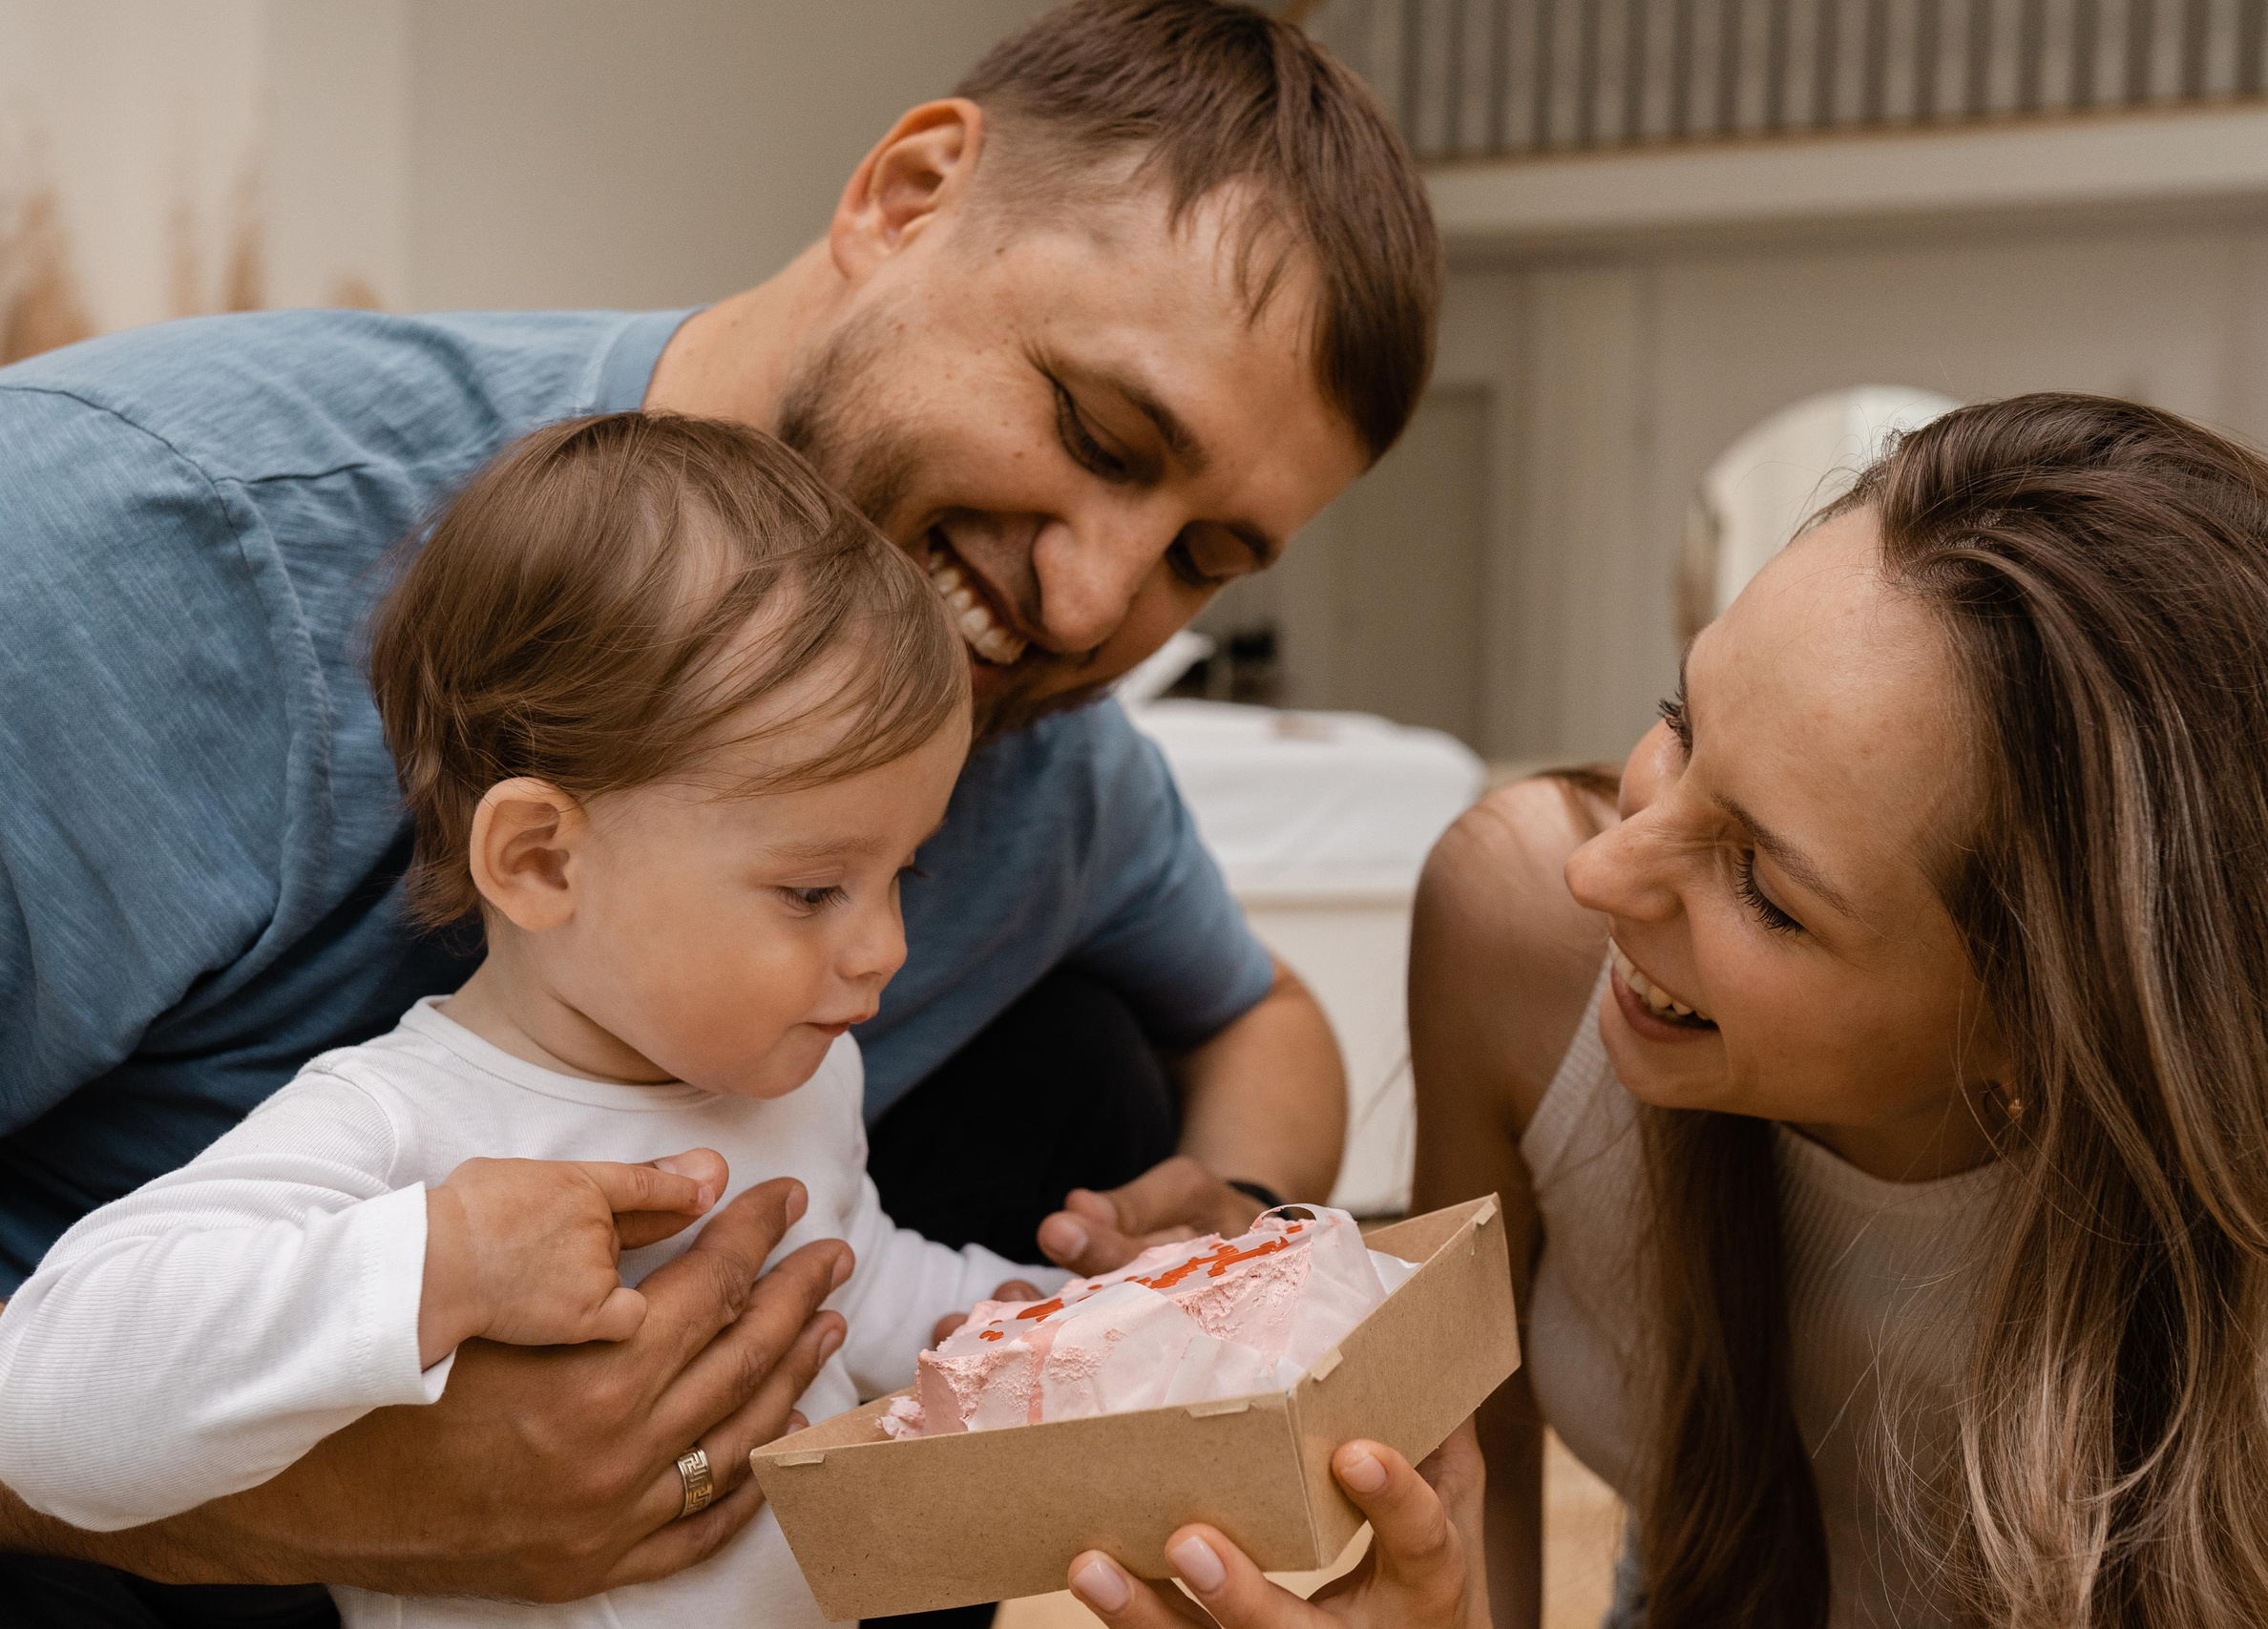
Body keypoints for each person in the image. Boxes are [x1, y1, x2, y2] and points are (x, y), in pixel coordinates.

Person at [0, 1, 1438, 1622]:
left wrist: (1202, 1272)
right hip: (110, 1485)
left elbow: (1260, 1020)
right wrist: (361, 1500)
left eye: (1202, 562)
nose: (1089, 595)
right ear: (905, 196)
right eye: (1096, 434)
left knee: (1084, 1058)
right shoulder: (123, 552)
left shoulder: (1034, 736)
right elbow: (61, 1389)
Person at [1069, 393, 2268, 1629]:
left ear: (2047, 1026)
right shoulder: (1517, 934)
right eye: (1681, 720)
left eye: (1770, 894)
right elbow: (1461, 1483)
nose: (1602, 867)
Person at [0, 411, 1049, 1626]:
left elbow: (853, 1288)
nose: (885, 948)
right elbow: (42, 1401)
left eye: (897, 876)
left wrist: (1055, 1318)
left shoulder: (804, 1081)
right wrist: (440, 1264)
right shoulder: (399, 1128)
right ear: (543, 859)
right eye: (814, 890)